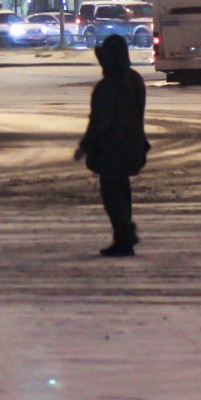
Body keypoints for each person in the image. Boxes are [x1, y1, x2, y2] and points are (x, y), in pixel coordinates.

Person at [74, 34, 149, 257]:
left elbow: (99, 121)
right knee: (122, 193)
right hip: (132, 145)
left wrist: (86, 146)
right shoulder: (135, 79)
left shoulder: (108, 86)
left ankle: (124, 234)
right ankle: (124, 232)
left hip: (112, 150)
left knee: (112, 195)